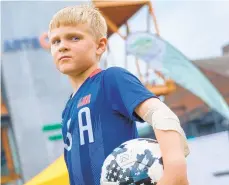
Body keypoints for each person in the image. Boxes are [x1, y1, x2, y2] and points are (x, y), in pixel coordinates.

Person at [48, 4, 189, 185]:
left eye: (74, 38)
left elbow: (161, 114)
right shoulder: (68, 107)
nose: (62, 46)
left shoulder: (111, 79)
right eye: (55, 41)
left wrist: (175, 167)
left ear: (100, 46)